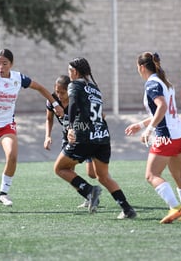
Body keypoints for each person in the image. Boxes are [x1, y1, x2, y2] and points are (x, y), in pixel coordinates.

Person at [0, 48, 63, 212]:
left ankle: (3, 194)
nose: (1, 67)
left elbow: (40, 88)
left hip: (6, 125)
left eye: (5, 63)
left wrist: (55, 104)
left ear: (11, 64)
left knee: (12, 156)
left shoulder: (18, 78)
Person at [53, 57, 136, 219]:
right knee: (103, 176)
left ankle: (90, 191)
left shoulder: (74, 85)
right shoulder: (95, 88)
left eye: (70, 71)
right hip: (103, 136)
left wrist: (70, 127)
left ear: (75, 72)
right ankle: (127, 209)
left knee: (60, 168)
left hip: (84, 136)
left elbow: (74, 104)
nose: (69, 75)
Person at [125, 51, 181, 223]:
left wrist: (149, 130)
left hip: (167, 136)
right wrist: (141, 125)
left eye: (137, 67)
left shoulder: (152, 84)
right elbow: (163, 111)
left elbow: (162, 107)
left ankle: (176, 208)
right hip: (180, 133)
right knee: (178, 174)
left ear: (142, 67)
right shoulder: (165, 82)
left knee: (151, 175)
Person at [44, 75, 96, 208]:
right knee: (67, 171)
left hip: (85, 138)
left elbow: (95, 116)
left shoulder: (78, 99)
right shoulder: (52, 100)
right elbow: (49, 119)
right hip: (67, 138)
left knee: (92, 174)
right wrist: (47, 136)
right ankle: (88, 195)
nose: (59, 95)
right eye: (57, 91)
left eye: (63, 92)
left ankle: (91, 192)